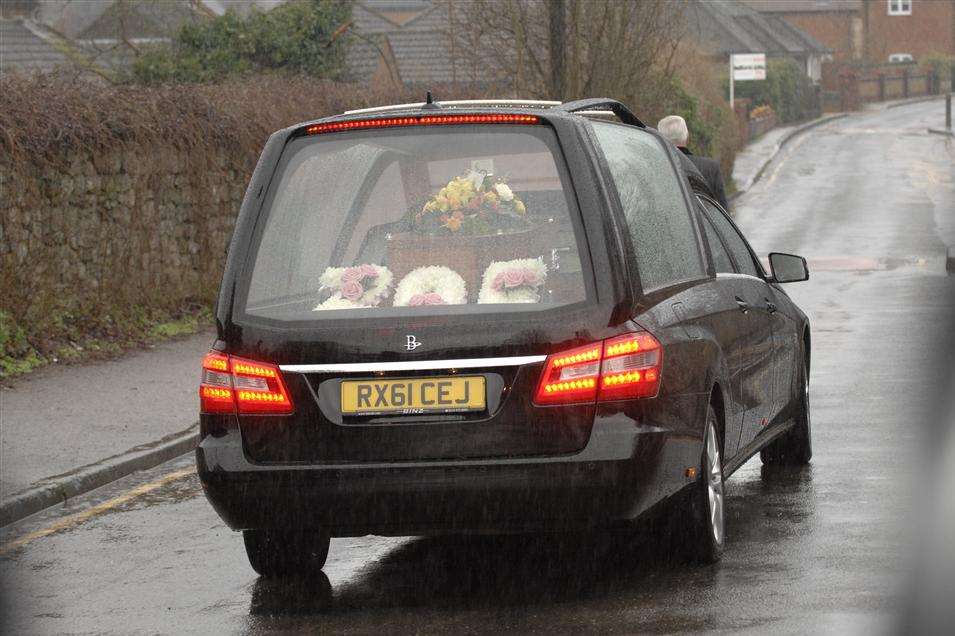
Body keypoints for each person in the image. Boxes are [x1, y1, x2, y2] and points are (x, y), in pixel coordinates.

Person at [657, 115, 729, 211]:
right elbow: (723, 210)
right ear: (687, 135)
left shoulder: (656, 169)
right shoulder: (711, 167)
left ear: (660, 139)